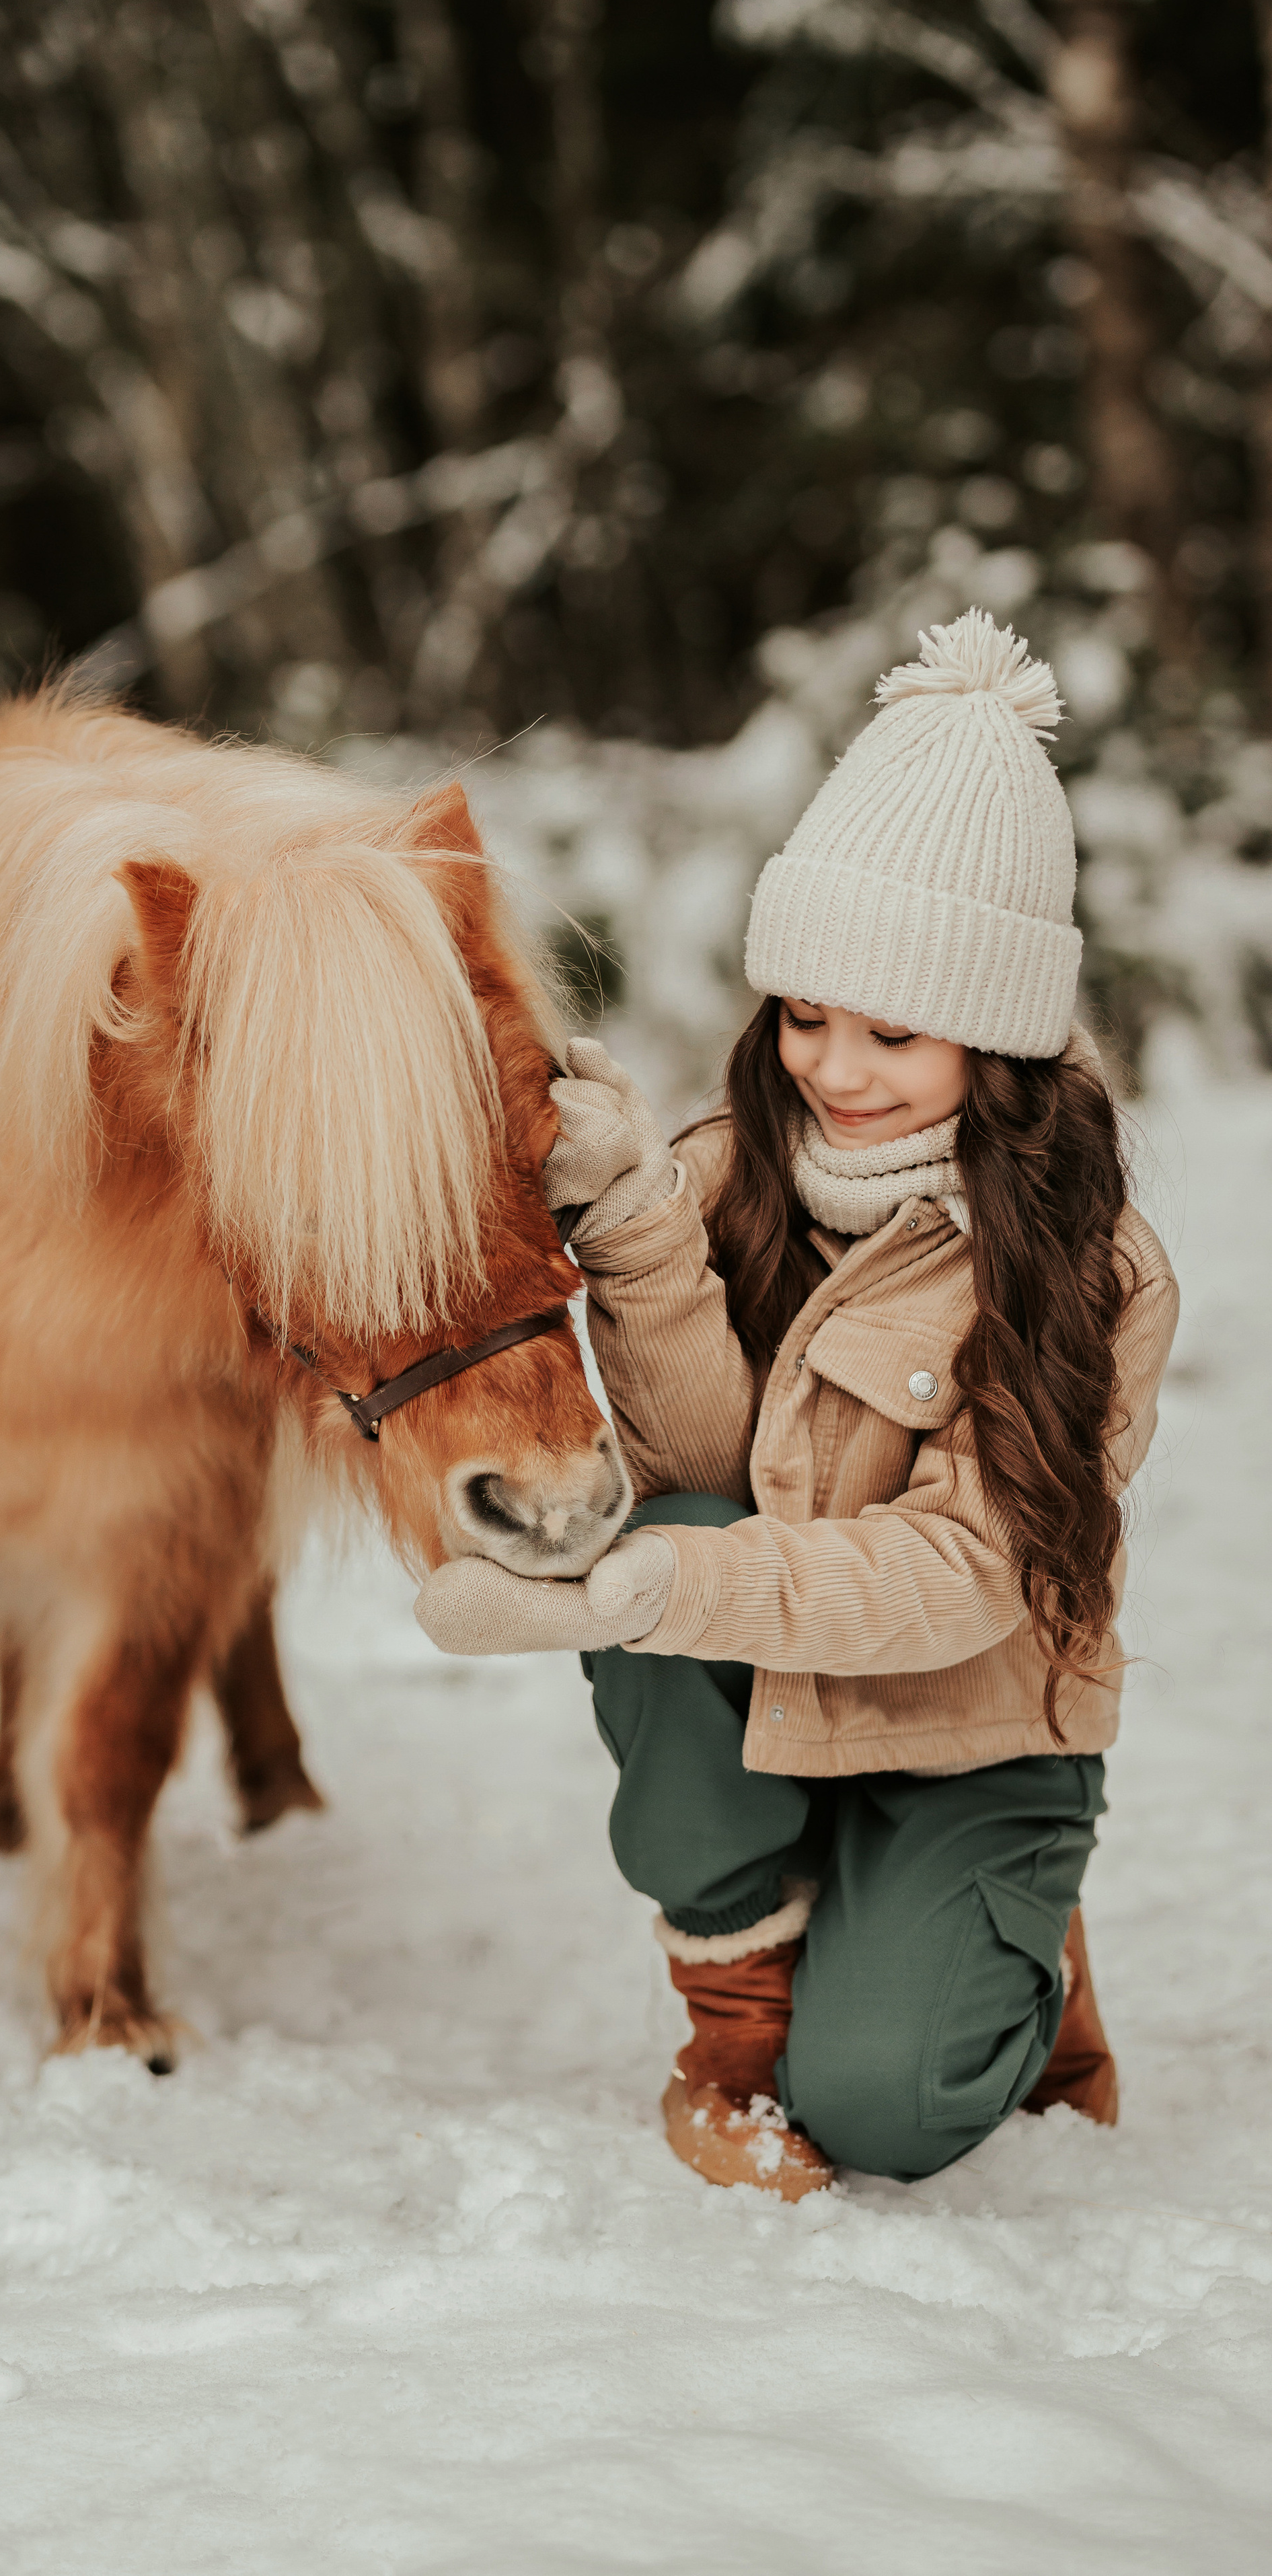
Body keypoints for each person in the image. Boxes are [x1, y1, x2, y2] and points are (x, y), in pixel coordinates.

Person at [416, 610, 1179, 2201]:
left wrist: (671, 1586)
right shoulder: (730, 1167)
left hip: (969, 1729)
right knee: (673, 1531)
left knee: (894, 2115)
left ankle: (1011, 1956)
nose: (833, 1067)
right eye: (805, 1015)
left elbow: (966, 1571)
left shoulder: (1083, 1267)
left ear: (1000, 1037)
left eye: (894, 1033)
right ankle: (739, 2039)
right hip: (771, 1693)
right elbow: (703, 1471)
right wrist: (633, 1233)